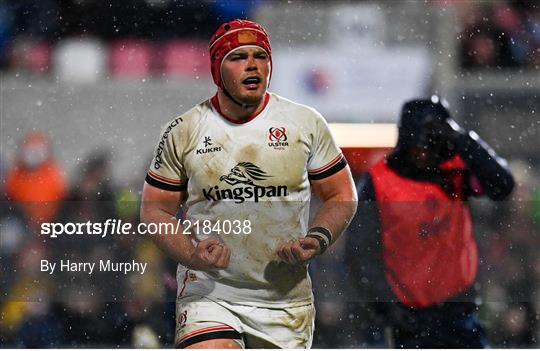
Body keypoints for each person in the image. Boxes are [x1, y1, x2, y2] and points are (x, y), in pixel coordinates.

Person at [140, 19, 357, 349]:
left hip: (284, 300)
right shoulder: (183, 130)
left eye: (261, 56)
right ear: (217, 68)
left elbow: (342, 194)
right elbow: (155, 209)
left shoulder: (305, 123)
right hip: (209, 293)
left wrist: (317, 238)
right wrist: (192, 254)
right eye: (239, 57)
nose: (253, 65)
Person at [344, 96, 514, 348]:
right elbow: (361, 254)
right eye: (417, 148)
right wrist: (387, 307)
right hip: (409, 318)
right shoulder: (378, 183)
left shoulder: (456, 169)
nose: (423, 155)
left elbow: (502, 186)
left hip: (459, 311)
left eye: (429, 147)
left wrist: (463, 139)